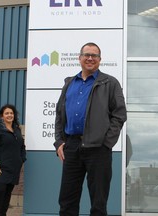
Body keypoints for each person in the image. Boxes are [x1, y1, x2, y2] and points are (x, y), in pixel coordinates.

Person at [54, 42, 127, 216]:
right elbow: (59, 114)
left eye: (94, 56)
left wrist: (106, 142)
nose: (90, 58)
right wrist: (59, 141)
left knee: (98, 203)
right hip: (71, 147)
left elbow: (119, 114)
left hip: (98, 149)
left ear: (99, 60)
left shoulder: (110, 83)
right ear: (79, 58)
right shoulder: (70, 83)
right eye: (86, 54)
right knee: (67, 201)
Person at [0, 104, 26, 216]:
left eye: (11, 113)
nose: (9, 115)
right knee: (0, 190)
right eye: (7, 113)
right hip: (0, 167)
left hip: (14, 167)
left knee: (8, 192)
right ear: (2, 116)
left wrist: (22, 159)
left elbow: (22, 146)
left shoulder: (17, 129)